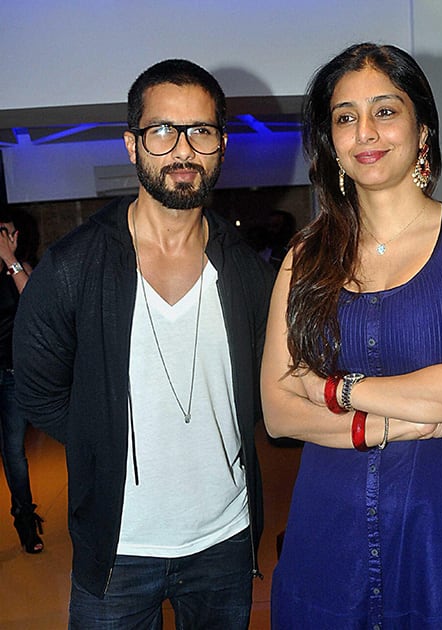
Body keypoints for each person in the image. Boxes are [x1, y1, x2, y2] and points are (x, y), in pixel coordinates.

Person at [261, 42, 442, 629]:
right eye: (345, 117)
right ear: (332, 144)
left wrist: (334, 392)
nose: (365, 132)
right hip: (327, 531)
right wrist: (397, 422)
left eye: (385, 110)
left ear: (422, 128)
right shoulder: (306, 254)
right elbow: (278, 411)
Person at [13, 59, 275, 629]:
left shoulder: (248, 272)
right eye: (162, 131)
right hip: (119, 546)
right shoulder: (73, 266)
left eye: (200, 131)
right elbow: (40, 392)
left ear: (221, 146)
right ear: (133, 146)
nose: (183, 149)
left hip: (225, 542)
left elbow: (264, 387)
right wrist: (104, 437)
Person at [0, 207, 43, 553]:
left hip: (13, 378)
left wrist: (10, 261)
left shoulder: (23, 269)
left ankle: (25, 519)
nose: (7, 240)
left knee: (14, 451)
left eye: (10, 234)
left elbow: (37, 310)